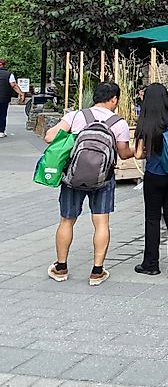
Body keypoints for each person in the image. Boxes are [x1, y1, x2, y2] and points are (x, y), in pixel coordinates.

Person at [45, 82, 134, 286]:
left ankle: (61, 268)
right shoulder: (118, 123)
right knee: (101, 222)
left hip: (73, 177)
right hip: (103, 178)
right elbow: (123, 153)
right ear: (114, 99)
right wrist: (139, 151)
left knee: (67, 220)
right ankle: (97, 271)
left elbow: (49, 137)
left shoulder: (76, 116)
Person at [133, 83, 168, 276]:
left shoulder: (147, 120)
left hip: (156, 175)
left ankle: (151, 264)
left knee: (152, 218)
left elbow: (139, 154)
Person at [0, 59, 26, 137]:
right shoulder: (9, 74)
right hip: (4, 98)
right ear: (4, 65)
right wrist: (21, 93)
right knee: (2, 114)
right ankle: (1, 131)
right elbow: (14, 85)